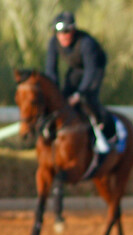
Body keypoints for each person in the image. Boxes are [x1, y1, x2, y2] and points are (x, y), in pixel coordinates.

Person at [45, 11, 114, 151]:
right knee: (64, 97)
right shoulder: (53, 43)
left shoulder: (87, 43)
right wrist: (53, 91)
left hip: (95, 68)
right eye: (59, 32)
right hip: (77, 69)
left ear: (73, 30)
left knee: (88, 98)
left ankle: (105, 132)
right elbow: (51, 70)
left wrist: (79, 94)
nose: (63, 36)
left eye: (67, 31)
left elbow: (91, 70)